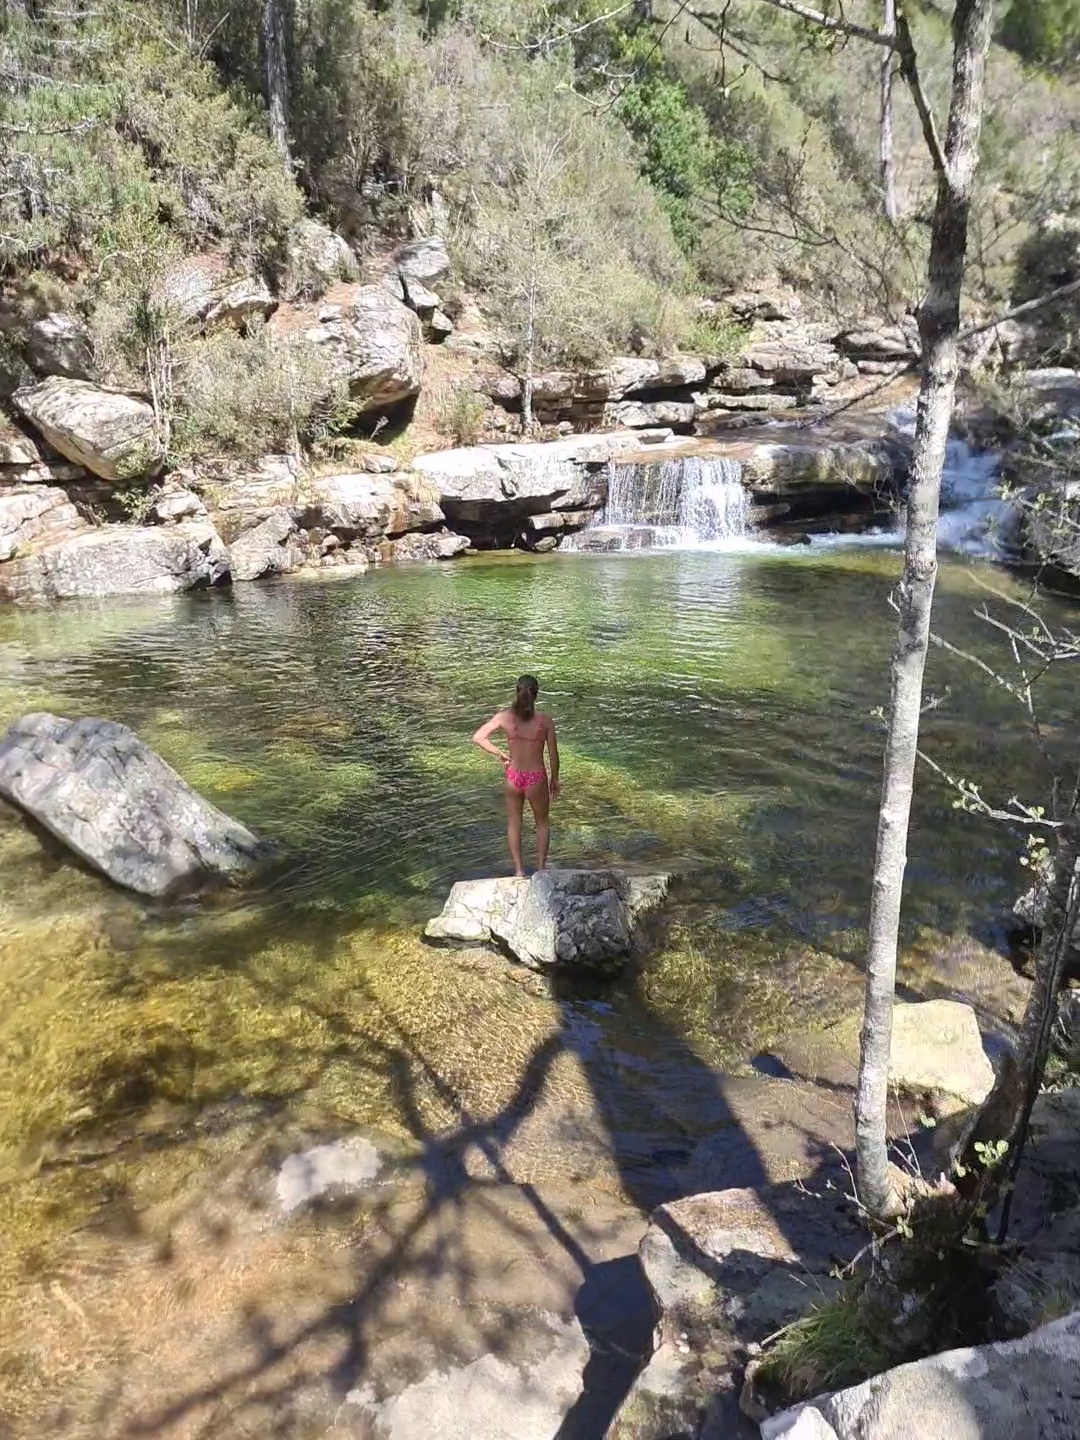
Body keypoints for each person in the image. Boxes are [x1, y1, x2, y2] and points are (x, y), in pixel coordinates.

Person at [472, 675, 560, 877]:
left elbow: (478, 737)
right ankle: (541, 870)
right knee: (542, 823)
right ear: (536, 695)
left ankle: (519, 871)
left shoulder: (504, 717)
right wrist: (554, 779)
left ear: (516, 692)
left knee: (514, 823)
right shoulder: (545, 722)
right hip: (535, 777)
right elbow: (554, 755)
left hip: (514, 776)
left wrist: (499, 753)